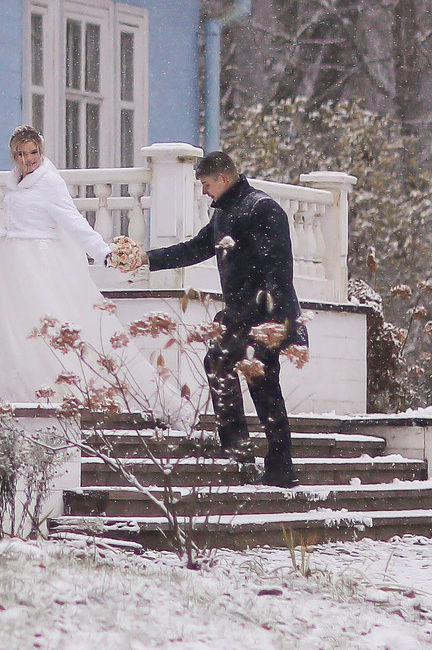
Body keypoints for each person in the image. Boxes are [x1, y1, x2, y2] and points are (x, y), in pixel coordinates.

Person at [118, 150, 305, 487]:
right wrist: (146, 258)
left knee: (254, 381)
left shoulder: (262, 209)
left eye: (206, 184)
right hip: (238, 315)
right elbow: (194, 248)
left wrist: (278, 324)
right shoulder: (226, 213)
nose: (204, 191)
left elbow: (280, 271)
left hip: (263, 316)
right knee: (231, 370)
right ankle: (248, 454)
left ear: (223, 178)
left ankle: (265, 460)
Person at [0, 125, 114, 402]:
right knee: (6, 323)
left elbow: (73, 221)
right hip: (7, 260)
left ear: (41, 152)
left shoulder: (50, 183)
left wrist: (102, 251)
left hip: (37, 260)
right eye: (20, 154)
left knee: (39, 322)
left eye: (32, 153)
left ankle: (51, 385)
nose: (27, 159)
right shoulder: (15, 181)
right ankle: (7, 384)